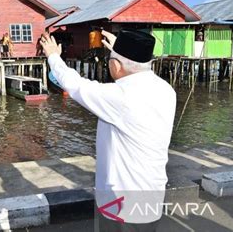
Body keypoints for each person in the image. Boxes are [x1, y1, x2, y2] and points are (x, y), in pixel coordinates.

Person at [40, 30, 176, 231]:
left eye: (110, 60)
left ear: (116, 65)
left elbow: (75, 85)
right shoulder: (165, 89)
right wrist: (120, 50)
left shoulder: (120, 97)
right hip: (152, 196)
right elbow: (135, 65)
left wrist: (53, 56)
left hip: (121, 204)